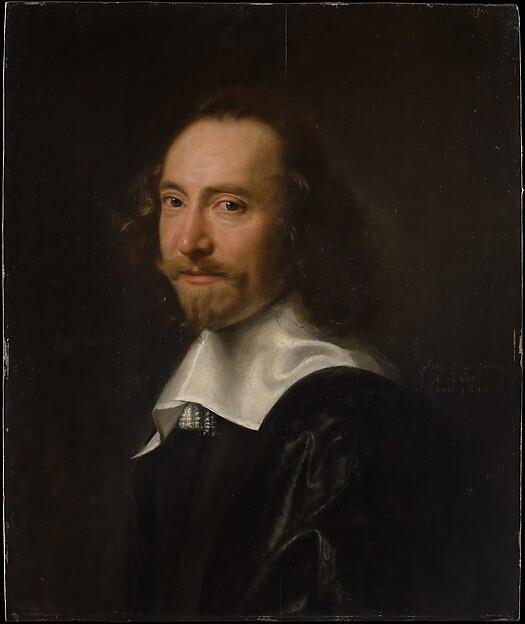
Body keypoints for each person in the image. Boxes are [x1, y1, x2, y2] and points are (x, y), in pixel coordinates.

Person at [122, 85, 456, 618]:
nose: (189, 241)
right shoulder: (187, 413)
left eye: (229, 206)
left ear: (298, 226)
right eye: (174, 201)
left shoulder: (344, 423)